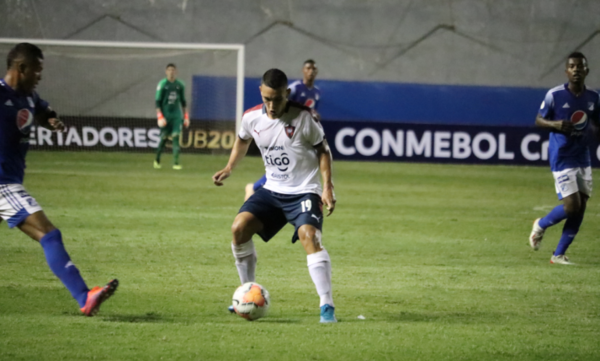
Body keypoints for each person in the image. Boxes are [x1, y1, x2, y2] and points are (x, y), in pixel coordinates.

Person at [0, 43, 118, 315]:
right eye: (37, 71)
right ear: (21, 68)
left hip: (10, 179)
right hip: (3, 182)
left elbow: (42, 111)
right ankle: (84, 297)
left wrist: (52, 120)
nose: (40, 76)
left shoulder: (29, 97)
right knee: (49, 235)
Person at [213, 68, 337, 322]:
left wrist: (327, 186)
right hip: (272, 189)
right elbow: (242, 140)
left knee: (310, 236)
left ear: (287, 94)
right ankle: (248, 292)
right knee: (239, 228)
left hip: (304, 190)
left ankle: (327, 305)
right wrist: (229, 167)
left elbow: (323, 151)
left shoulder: (305, 117)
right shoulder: (251, 118)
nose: (272, 105)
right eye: (267, 99)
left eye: (277, 99)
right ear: (261, 92)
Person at [529, 51, 600, 265]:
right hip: (562, 156)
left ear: (586, 70)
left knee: (582, 205)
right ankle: (541, 225)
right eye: (572, 66)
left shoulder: (594, 97)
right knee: (571, 206)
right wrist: (555, 125)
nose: (576, 69)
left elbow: (597, 123)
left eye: (580, 66)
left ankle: (558, 255)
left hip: (583, 156)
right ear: (567, 71)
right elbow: (539, 120)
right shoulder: (555, 95)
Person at [244, 59, 322, 200]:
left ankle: (293, 189)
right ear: (303, 71)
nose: (311, 72)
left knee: (293, 165)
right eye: (308, 68)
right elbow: (280, 104)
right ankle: (254, 187)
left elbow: (312, 111)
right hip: (286, 131)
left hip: (302, 131)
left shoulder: (317, 92)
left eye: (313, 69)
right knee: (283, 167)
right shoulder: (296, 88)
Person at [154, 63, 189, 170]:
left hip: (176, 115)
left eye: (173, 70)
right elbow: (158, 102)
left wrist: (186, 116)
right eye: (169, 70)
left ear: (176, 71)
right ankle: (157, 160)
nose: (171, 72)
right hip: (165, 115)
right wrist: (160, 116)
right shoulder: (162, 84)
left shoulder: (180, 85)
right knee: (163, 139)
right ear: (166, 72)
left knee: (175, 137)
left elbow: (183, 102)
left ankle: (176, 163)